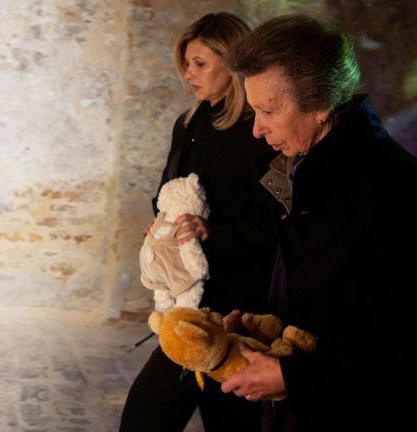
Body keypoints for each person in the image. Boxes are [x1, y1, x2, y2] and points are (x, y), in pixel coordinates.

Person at [220, 14, 417, 432]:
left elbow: (414, 350)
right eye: (255, 110)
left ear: (321, 104)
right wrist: (261, 328)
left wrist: (292, 378)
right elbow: (320, 292)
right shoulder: (299, 169)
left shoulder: (394, 190)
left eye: (268, 110)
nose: (256, 129)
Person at [119, 12, 278, 432]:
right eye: (186, 64)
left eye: (200, 63)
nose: (189, 74)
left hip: (237, 305)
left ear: (233, 61)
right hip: (190, 302)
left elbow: (277, 225)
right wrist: (163, 227)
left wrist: (212, 231)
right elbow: (167, 193)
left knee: (230, 420)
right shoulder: (189, 123)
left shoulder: (261, 130)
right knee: (146, 414)